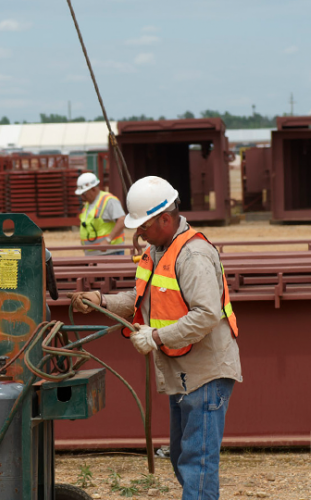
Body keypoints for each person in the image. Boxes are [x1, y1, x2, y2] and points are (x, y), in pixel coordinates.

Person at [68, 176, 242, 500]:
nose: (138, 232)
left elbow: (205, 314)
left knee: (197, 462)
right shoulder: (157, 250)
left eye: (143, 225)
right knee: (180, 457)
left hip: (206, 372)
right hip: (183, 371)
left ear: (165, 218)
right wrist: (102, 300)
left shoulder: (193, 255)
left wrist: (156, 337)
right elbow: (143, 298)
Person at [75, 172, 126, 255]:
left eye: (84, 194)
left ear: (93, 189)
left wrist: (108, 240)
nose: (82, 197)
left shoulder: (109, 200)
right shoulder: (88, 205)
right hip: (92, 255)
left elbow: (122, 220)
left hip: (110, 253)